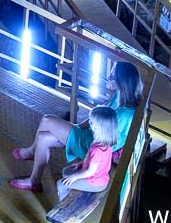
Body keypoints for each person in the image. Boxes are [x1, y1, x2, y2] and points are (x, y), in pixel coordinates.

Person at [9, 60, 142, 192]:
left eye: (112, 76)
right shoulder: (119, 96)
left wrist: (89, 157)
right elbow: (95, 116)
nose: (108, 78)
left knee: (47, 120)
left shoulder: (126, 115)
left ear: (123, 82)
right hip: (88, 135)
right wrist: (77, 126)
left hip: (90, 144)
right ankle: (34, 181)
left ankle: (30, 152)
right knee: (43, 138)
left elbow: (110, 142)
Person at [54, 107, 117, 200]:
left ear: (101, 127)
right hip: (100, 177)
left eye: (92, 122)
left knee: (61, 184)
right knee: (66, 171)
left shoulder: (97, 150)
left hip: (94, 182)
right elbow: (96, 163)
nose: (89, 123)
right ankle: (73, 189)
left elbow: (90, 172)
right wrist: (81, 164)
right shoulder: (105, 142)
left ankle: (63, 209)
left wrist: (75, 176)